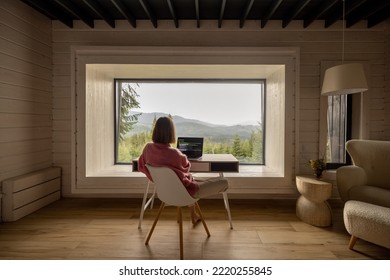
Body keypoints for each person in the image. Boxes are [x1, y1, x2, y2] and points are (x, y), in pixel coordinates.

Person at [138, 116, 229, 224]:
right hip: (186, 193)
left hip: (164, 192)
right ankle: (194, 214)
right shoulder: (175, 153)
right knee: (224, 181)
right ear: (171, 132)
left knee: (187, 180)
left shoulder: (147, 148)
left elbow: (142, 164)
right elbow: (186, 166)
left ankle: (193, 215)